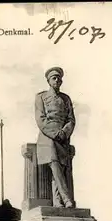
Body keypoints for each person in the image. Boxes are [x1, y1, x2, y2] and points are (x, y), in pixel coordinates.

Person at [35, 67, 76, 208]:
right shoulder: (41, 97)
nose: (57, 80)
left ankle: (57, 202)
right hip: (48, 137)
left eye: (59, 78)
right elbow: (41, 119)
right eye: (54, 78)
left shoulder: (66, 99)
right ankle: (66, 199)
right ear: (48, 81)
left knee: (60, 169)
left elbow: (71, 119)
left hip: (63, 137)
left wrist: (64, 133)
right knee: (55, 164)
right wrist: (55, 134)